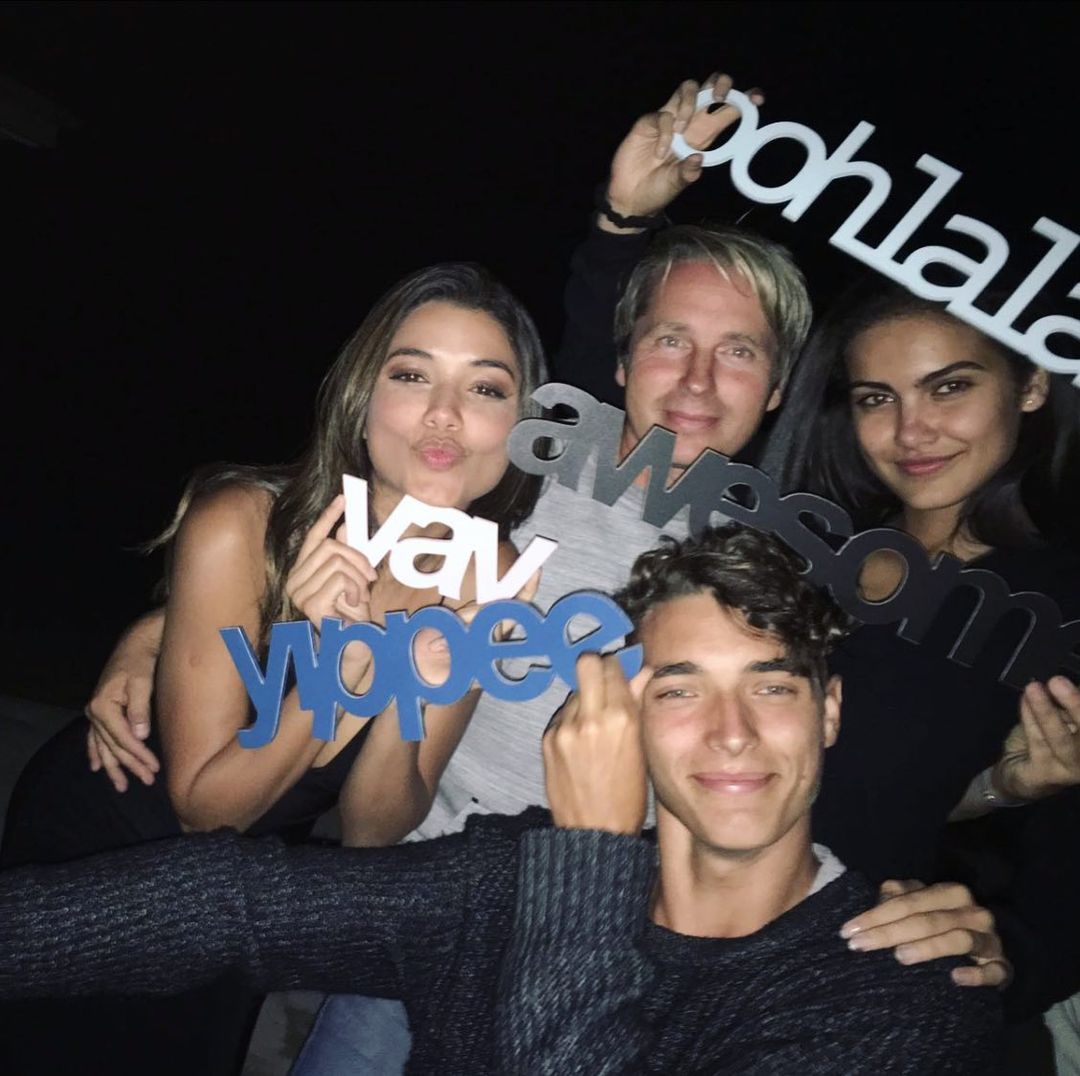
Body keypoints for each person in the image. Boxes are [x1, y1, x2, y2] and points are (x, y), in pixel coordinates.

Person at [78, 74, 1011, 1071]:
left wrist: (999, 794)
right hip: (423, 905)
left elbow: (857, 760)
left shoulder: (793, 565)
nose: (698, 381)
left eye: (738, 353)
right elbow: (330, 533)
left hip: (615, 945)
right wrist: (168, 631)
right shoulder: (522, 471)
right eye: (670, 342)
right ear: (622, 363)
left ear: (778, 387)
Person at [0, 524, 1004, 1074]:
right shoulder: (510, 880)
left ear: (828, 711)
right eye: (680, 689)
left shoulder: (908, 996)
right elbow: (234, 903)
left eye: (772, 687)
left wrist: (592, 850)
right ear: (623, 710)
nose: (731, 732)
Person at [0, 261, 545, 1075]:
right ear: (363, 399)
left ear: (521, 425)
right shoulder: (244, 525)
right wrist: (341, 668)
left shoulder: (488, 575)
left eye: (486, 388)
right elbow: (203, 811)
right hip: (110, 837)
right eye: (411, 374)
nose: (444, 412)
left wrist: (404, 681)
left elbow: (372, 834)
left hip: (247, 890)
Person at [762, 280, 1080, 1023]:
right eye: (878, 398)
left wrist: (1004, 956)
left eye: (949, 388)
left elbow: (1053, 915)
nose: (911, 432)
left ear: (1031, 384)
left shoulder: (1056, 607)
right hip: (671, 933)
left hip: (853, 998)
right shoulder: (803, 545)